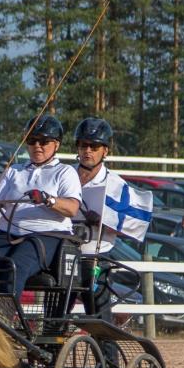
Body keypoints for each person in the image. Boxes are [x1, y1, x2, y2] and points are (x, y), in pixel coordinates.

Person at [0, 115, 81, 297]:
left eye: (44, 141)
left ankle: (5, 317)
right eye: (32, 141)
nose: (37, 146)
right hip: (8, 232)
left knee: (14, 266)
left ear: (56, 145)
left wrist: (48, 199)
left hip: (46, 235)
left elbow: (72, 208)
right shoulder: (15, 170)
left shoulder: (65, 172)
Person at [72, 117, 125, 322]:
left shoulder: (116, 184)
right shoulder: (65, 176)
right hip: (65, 254)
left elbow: (127, 227)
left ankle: (108, 354)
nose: (88, 151)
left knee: (99, 315)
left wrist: (102, 221)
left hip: (97, 256)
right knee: (56, 312)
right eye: (83, 145)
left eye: (94, 146)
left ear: (105, 151)